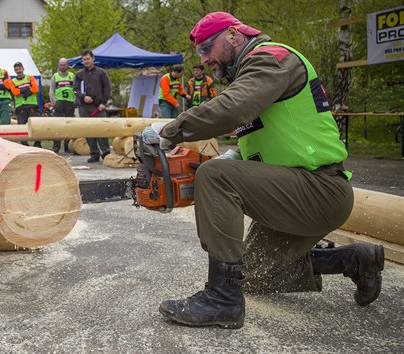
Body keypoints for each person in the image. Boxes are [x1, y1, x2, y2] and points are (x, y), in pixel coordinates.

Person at [142, 12, 384, 329]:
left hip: (319, 189)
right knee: (252, 274)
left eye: (206, 48)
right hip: (298, 191)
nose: (204, 59)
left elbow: (232, 109)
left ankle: (222, 300)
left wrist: (168, 131)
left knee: (214, 178)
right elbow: (264, 137)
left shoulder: (271, 57)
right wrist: (228, 159)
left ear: (234, 36)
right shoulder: (252, 75)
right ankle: (355, 260)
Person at [73, 49, 111, 163]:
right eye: (84, 59)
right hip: (84, 107)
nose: (86, 61)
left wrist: (103, 103)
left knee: (102, 130)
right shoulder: (79, 74)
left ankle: (106, 153)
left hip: (98, 107)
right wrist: (83, 97)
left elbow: (107, 88)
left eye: (88, 59)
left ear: (93, 59)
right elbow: (75, 89)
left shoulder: (101, 73)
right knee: (89, 131)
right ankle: (94, 153)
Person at [10, 62, 41, 148]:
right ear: (14, 71)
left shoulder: (30, 78)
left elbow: (35, 88)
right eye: (16, 69)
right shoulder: (13, 81)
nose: (18, 71)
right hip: (20, 107)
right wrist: (27, 89)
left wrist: (25, 91)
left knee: (35, 126)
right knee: (22, 127)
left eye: (19, 69)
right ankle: (24, 145)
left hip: (32, 105)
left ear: (23, 69)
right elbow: (14, 92)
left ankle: (37, 143)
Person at [49, 57, 75, 153]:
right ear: (59, 66)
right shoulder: (55, 77)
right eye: (61, 65)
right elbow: (51, 90)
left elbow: (75, 89)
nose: (63, 66)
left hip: (70, 102)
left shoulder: (72, 76)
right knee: (57, 124)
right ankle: (56, 145)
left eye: (64, 65)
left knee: (69, 124)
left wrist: (75, 100)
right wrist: (53, 101)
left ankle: (67, 146)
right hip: (59, 103)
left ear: (67, 65)